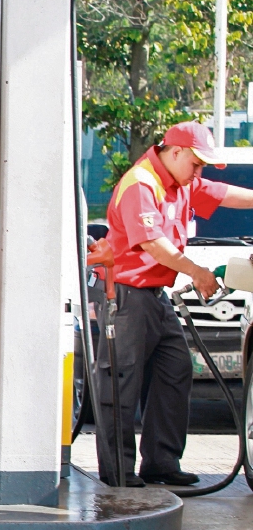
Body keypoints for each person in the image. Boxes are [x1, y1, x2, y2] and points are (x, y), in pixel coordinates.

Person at [98, 121, 253, 487]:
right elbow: (152, 243)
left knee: (176, 368)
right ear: (176, 151)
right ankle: (118, 472)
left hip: (155, 296)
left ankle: (161, 464)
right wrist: (197, 271)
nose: (197, 173)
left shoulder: (180, 182)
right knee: (121, 381)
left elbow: (225, 194)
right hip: (125, 295)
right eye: (196, 164)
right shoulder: (142, 183)